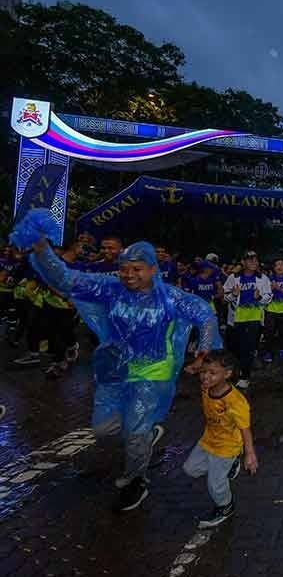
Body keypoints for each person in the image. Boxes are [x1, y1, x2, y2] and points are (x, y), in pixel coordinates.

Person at [12, 209, 219, 512]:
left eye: (137, 269)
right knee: (103, 430)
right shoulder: (110, 288)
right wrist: (41, 248)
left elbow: (204, 313)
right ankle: (145, 434)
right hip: (115, 368)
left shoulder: (170, 297)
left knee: (134, 432)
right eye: (125, 268)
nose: (129, 275)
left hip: (153, 371)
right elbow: (65, 278)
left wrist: (205, 349)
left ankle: (137, 480)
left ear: (152, 269)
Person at [183, 350, 258, 528]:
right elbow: (204, 356)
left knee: (215, 485)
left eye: (212, 373)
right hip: (208, 439)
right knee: (190, 469)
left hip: (227, 447)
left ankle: (225, 506)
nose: (205, 377)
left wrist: (250, 453)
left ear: (228, 374)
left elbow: (245, 429)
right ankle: (231, 466)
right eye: (203, 372)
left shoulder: (236, 402)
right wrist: (195, 366)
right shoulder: (206, 387)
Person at [223, 251, 272, 389]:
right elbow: (225, 296)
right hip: (236, 319)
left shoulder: (263, 278)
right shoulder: (234, 277)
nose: (253, 263)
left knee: (247, 347)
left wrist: (258, 298)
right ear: (243, 262)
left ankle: (245, 376)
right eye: (250, 260)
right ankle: (245, 362)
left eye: (255, 260)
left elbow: (268, 297)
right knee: (233, 346)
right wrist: (233, 294)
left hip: (254, 319)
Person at [264, 258, 283, 364]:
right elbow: (264, 292)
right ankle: (268, 352)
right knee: (269, 333)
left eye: (282, 264)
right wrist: (271, 289)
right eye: (278, 264)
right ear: (274, 267)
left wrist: (279, 288)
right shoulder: (268, 278)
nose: (280, 267)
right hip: (271, 310)